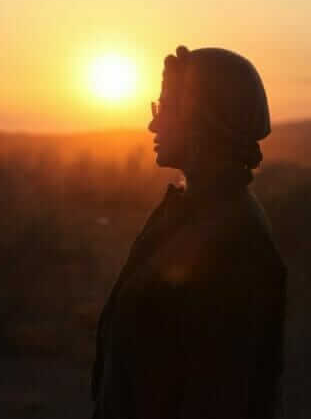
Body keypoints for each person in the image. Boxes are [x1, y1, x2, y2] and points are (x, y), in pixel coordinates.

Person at [91, 46, 287, 419]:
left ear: (203, 122)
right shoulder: (191, 212)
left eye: (166, 109)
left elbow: (219, 395)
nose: (154, 124)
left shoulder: (234, 239)